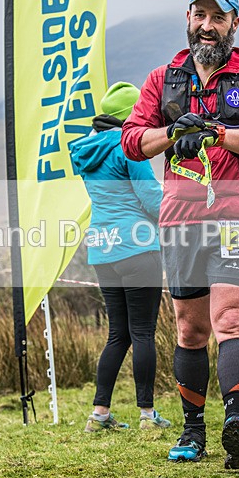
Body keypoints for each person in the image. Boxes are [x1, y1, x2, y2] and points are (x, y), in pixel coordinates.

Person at [121, 0, 239, 469]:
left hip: (237, 213)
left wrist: (217, 133)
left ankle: (238, 421)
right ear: (188, 18)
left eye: (218, 17)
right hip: (182, 217)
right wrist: (172, 133)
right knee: (190, 330)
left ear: (235, 23)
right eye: (200, 15)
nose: (207, 26)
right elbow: (132, 140)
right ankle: (194, 433)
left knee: (230, 320)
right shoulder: (162, 79)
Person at [69, 81, 171, 432]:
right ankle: (147, 415)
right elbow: (151, 200)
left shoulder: (87, 150)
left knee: (118, 334)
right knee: (143, 332)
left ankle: (99, 415)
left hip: (102, 249)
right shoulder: (130, 148)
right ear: (131, 115)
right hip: (138, 247)